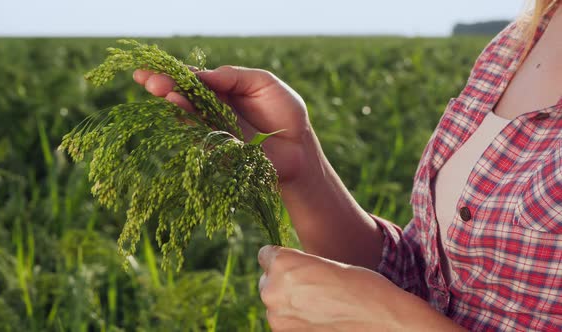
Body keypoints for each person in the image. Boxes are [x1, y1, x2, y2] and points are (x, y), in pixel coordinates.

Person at [133, 0, 562, 330]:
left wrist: (391, 323)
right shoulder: (520, 40)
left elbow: (400, 315)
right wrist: (303, 167)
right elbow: (433, 280)